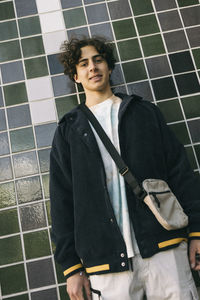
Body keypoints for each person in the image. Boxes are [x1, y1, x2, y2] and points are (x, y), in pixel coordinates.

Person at [50, 37, 200, 300]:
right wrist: (72, 268)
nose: (92, 68)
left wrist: (197, 231)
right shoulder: (68, 131)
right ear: (76, 76)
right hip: (106, 263)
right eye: (83, 64)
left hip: (164, 249)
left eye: (98, 60)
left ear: (109, 66)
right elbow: (62, 201)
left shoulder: (143, 112)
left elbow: (180, 173)